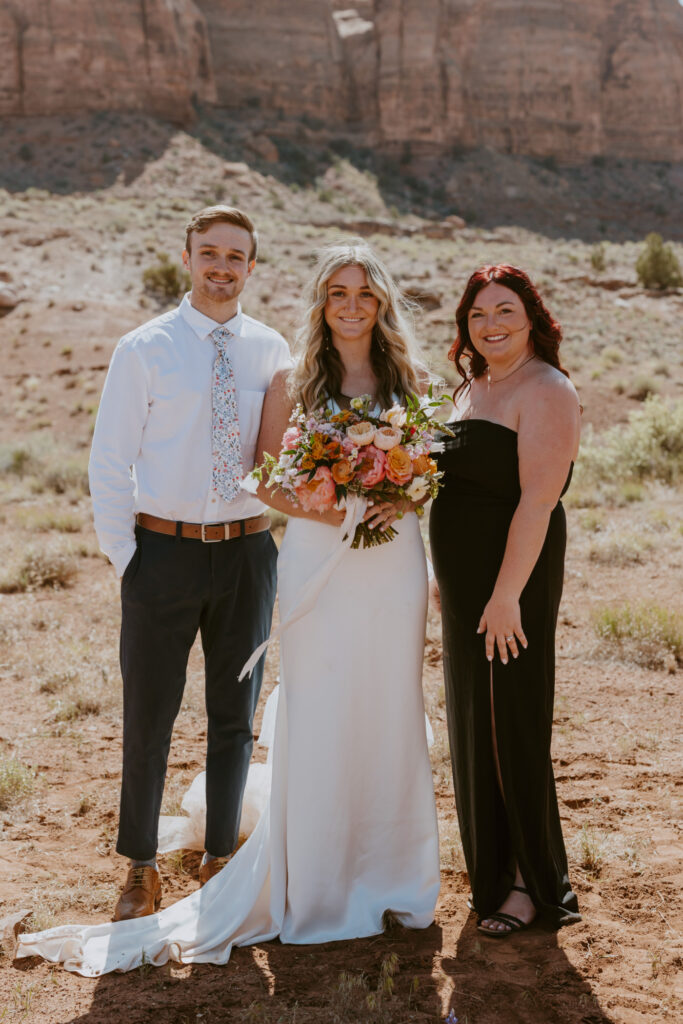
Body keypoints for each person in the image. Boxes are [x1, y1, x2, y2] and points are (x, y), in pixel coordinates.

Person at [15, 241, 440, 975]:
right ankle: (302, 873)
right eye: (336, 292)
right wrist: (334, 499)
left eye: (363, 293)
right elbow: (264, 479)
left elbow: (429, 472)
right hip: (315, 558)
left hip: (390, 562)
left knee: (387, 705)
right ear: (318, 301)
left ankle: (392, 873)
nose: (349, 304)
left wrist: (393, 490)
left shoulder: (416, 381)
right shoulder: (292, 376)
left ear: (381, 301)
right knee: (317, 703)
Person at [84, 206, 291, 920]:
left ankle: (220, 858)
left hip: (247, 554)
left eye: (236, 256)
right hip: (161, 555)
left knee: (234, 714)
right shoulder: (144, 348)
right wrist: (129, 562)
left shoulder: (271, 350)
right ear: (187, 257)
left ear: (253, 266)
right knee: (150, 715)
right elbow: (108, 463)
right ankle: (140, 864)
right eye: (210, 253)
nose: (222, 267)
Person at [429, 264, 582, 937]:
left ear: (532, 320)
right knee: (473, 720)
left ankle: (528, 884)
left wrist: (505, 596)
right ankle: (490, 871)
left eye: (505, 313)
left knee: (509, 721)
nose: (490, 325)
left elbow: (537, 501)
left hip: (510, 582)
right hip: (467, 586)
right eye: (478, 315)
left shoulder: (546, 389)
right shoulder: (471, 387)